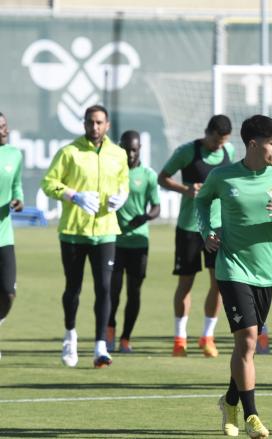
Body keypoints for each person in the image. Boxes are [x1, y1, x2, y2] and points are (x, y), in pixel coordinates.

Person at [196, 115, 272, 438]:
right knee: (247, 338)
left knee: (248, 345)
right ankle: (252, 415)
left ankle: (229, 402)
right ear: (254, 145)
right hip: (231, 268)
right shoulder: (223, 176)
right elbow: (202, 202)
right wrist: (208, 231)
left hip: (265, 272)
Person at [41, 104, 129, 368]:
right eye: (91, 122)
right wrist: (73, 196)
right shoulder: (70, 152)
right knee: (73, 288)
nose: (95, 127)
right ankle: (70, 335)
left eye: (100, 123)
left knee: (104, 287)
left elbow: (123, 182)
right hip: (73, 232)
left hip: (105, 231)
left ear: (108, 125)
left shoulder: (118, 153)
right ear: (84, 124)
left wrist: (122, 197)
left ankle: (101, 344)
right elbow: (49, 183)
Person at [158, 115, 235, 357]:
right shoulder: (187, 151)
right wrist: (186, 189)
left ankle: (207, 337)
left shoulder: (228, 151)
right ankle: (180, 339)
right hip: (190, 227)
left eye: (223, 142)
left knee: (219, 284)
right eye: (216, 140)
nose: (219, 146)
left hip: (218, 228)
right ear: (207, 132)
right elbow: (163, 178)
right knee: (186, 283)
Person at [107, 131, 160, 353]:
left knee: (134, 292)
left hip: (139, 244)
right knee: (112, 291)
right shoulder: (111, 172)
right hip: (114, 241)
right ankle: (108, 333)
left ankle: (126, 339)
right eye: (126, 149)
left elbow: (156, 206)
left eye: (134, 149)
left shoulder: (148, 175)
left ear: (140, 149)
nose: (130, 153)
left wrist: (146, 216)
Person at [0, 112, 23, 360]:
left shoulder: (14, 154)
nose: (4, 131)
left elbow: (16, 184)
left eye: (5, 126)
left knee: (8, 292)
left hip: (4, 237)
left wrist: (18, 199)